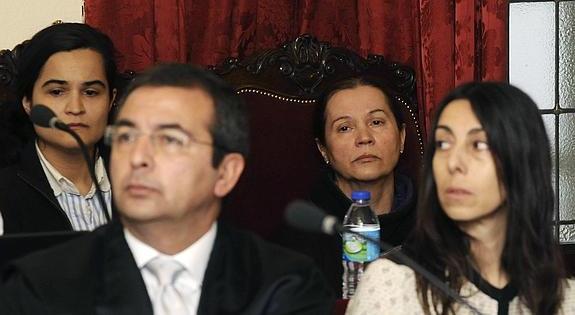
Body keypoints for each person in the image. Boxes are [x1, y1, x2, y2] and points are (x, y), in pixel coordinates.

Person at [0, 63, 335, 315]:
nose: (138, 158)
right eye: (127, 137)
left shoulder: (284, 285)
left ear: (226, 172)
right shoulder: (42, 285)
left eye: (170, 140)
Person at [347, 82, 575, 314]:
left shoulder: (567, 300)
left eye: (478, 144)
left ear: (522, 161)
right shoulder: (391, 286)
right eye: (443, 144)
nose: (453, 162)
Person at [279, 76, 417, 297]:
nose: (364, 138)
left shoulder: (438, 223)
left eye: (376, 122)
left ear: (401, 137)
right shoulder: (299, 237)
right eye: (344, 128)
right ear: (323, 149)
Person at [0, 23, 118, 234]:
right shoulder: (6, 192)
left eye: (90, 92)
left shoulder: (143, 178)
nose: (75, 108)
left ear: (111, 100)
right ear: (28, 102)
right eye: (56, 92)